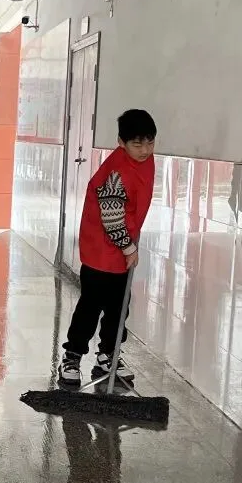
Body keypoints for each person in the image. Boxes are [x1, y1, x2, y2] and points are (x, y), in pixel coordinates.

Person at [58, 109, 157, 386]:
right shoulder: (116, 172)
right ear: (121, 142)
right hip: (101, 251)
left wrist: (128, 245)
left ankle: (108, 355)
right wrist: (129, 248)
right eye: (137, 144)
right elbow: (112, 218)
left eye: (150, 142)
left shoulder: (144, 161)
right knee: (91, 307)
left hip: (121, 250)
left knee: (119, 308)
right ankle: (72, 356)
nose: (145, 150)